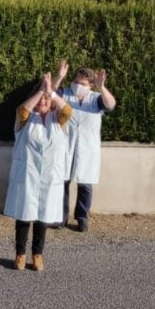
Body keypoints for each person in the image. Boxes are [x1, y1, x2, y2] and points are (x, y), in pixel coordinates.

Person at [3, 70, 72, 271]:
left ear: (51, 102)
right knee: (24, 216)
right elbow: (23, 109)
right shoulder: (26, 119)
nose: (43, 101)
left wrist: (51, 92)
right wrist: (42, 89)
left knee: (43, 217)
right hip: (28, 175)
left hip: (50, 177)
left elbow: (68, 111)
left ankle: (38, 254)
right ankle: (20, 254)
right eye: (40, 99)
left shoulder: (58, 120)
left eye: (46, 99)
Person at [58, 62, 117, 232]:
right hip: (65, 145)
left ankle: (82, 218)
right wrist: (59, 77)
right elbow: (50, 94)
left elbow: (111, 105)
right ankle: (60, 217)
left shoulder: (96, 98)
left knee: (86, 184)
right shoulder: (64, 94)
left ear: (91, 85)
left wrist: (102, 87)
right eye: (76, 82)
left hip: (87, 148)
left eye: (83, 84)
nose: (78, 86)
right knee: (62, 181)